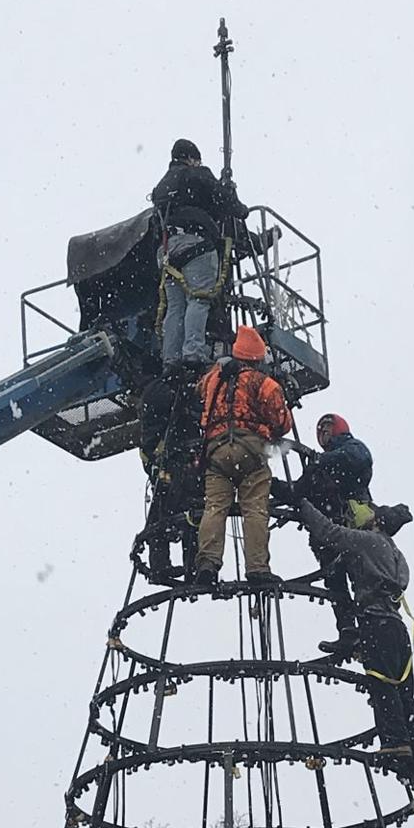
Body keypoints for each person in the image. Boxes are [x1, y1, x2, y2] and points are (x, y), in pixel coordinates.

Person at [297, 498, 414, 773]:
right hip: (396, 624)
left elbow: (328, 532)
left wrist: (302, 503)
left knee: (382, 684)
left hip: (375, 622)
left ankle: (395, 744)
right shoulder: (395, 552)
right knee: (404, 689)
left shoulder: (367, 541)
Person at [194, 326, 292, 587]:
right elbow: (283, 423)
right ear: (257, 358)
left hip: (216, 452)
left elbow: (198, 395)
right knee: (255, 509)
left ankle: (208, 563)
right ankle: (257, 568)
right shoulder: (263, 383)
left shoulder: (213, 378)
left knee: (214, 507)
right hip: (250, 452)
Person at [272, 413, 373, 655]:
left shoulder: (351, 448)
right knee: (336, 582)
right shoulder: (318, 467)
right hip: (327, 536)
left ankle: (369, 633)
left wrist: (323, 460)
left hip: (350, 529)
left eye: (327, 427)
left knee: (361, 583)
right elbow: (298, 493)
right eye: (319, 429)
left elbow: (360, 459)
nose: (322, 432)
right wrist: (271, 484)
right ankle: (349, 631)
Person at [151, 139, 247, 369]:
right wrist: (231, 194)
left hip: (166, 250)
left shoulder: (161, 187)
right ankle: (193, 352)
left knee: (175, 307)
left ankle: (171, 358)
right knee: (199, 298)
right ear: (192, 158)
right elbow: (226, 203)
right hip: (196, 245)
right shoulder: (197, 174)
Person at [136, 365, 204, 583]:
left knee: (172, 509)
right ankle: (190, 566)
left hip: (166, 457)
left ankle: (163, 565)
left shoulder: (154, 391)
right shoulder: (163, 393)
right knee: (185, 509)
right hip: (168, 457)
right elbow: (185, 408)